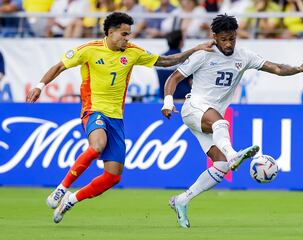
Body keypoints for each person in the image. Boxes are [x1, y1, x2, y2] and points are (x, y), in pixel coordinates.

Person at [26, 12, 214, 224]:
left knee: (113, 176)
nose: (128, 38)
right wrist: (39, 86)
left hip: (116, 117)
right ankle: (62, 188)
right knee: (98, 145)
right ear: (110, 32)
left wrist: (195, 49)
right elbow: (59, 66)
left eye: (129, 34)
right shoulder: (89, 50)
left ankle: (71, 199)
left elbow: (164, 61)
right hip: (93, 110)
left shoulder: (133, 52)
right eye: (124, 34)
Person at [161, 14, 303, 228]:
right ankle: (234, 154)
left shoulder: (244, 56)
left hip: (210, 116)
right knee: (221, 123)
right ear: (214, 36)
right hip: (194, 107)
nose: (228, 44)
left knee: (221, 165)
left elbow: (277, 68)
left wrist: (299, 68)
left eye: (232, 38)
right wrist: (168, 102)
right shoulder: (203, 54)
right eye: (223, 39)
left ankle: (182, 200)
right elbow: (173, 78)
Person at [157, 30, 192, 101]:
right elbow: (192, 81)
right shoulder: (185, 59)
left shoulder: (159, 59)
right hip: (182, 99)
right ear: (181, 42)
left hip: (164, 100)